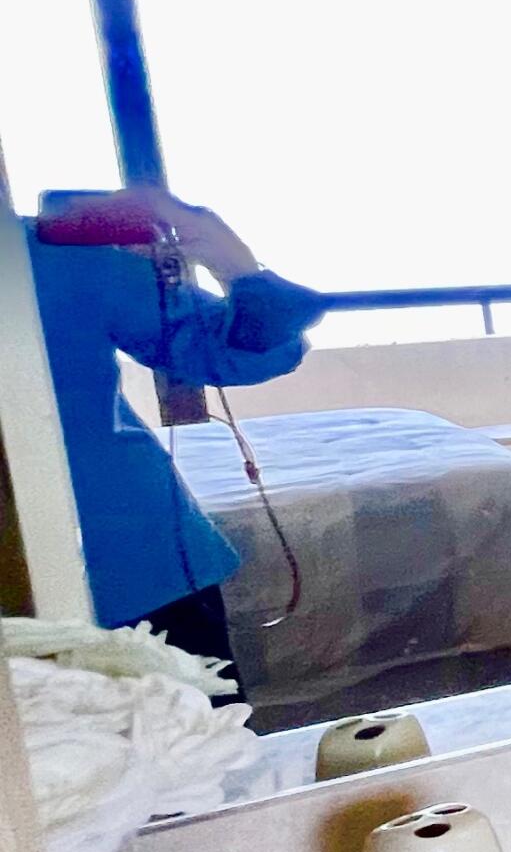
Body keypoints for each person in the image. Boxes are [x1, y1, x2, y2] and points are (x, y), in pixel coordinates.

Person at [22, 186, 326, 677]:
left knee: (205, 741)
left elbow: (247, 351)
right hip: (129, 556)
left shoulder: (49, 253)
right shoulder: (51, 254)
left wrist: (233, 264)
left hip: (133, 554)